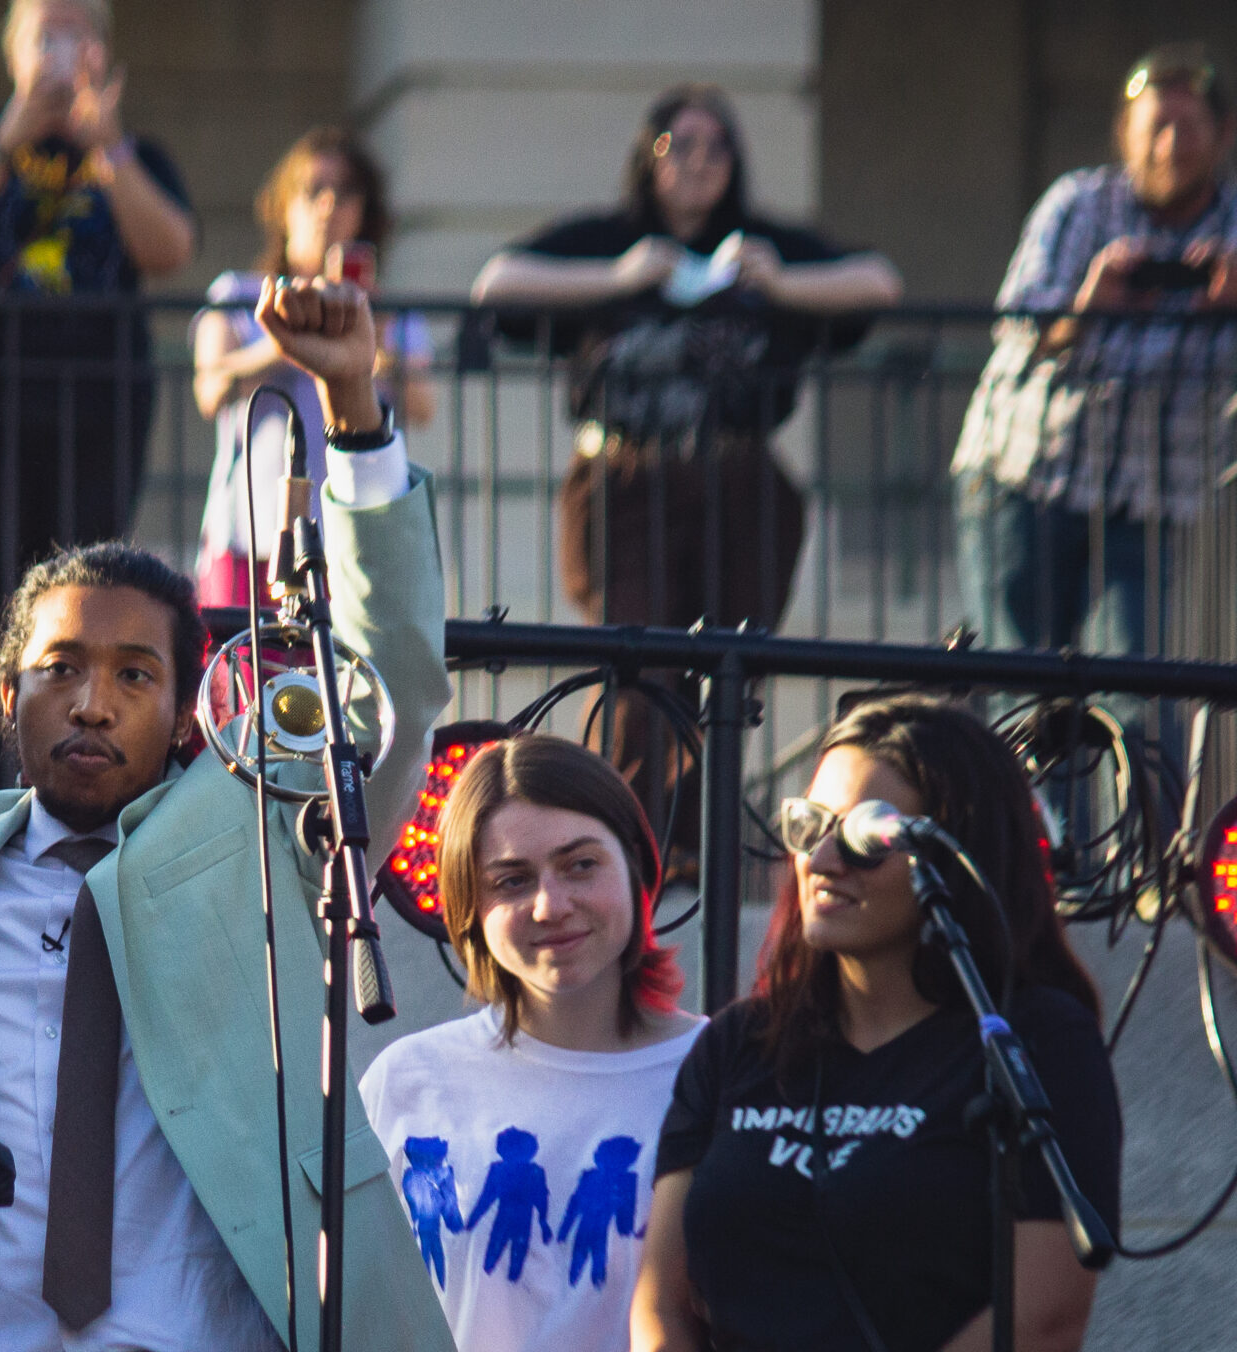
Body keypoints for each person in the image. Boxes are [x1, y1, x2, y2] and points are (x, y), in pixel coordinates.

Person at [0, 274, 454, 1352]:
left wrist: (354, 408)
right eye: (59, 671)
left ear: (188, 709)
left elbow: (393, 695)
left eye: (133, 674)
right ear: (3, 699)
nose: (91, 703)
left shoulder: (262, 842)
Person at [630, 694, 1121, 1352]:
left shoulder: (1035, 1038)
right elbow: (659, 1310)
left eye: (864, 835)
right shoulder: (738, 1045)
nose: (823, 858)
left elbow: (1044, 1318)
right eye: (809, 825)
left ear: (957, 850)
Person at [471, 85, 899, 871]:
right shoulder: (615, 236)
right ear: (651, 156)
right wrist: (624, 275)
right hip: (624, 478)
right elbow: (496, 284)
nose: (699, 162)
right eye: (680, 144)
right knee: (637, 667)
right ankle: (625, 845)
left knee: (729, 667)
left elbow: (878, 282)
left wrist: (775, 282)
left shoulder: (761, 242)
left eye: (716, 147)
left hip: (739, 478)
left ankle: (700, 849)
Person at [351, 735, 699, 1352]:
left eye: (581, 864)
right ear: (467, 906)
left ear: (638, 868)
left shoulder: (716, 1073)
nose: (551, 903)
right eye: (511, 880)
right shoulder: (407, 1082)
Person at [0, 0, 196, 792]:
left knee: (89, 604)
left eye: (80, 36)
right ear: (14, 52)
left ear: (104, 51)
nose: (64, 55)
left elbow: (168, 246)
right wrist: (9, 137)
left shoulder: (133, 152)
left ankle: (78, 779)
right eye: (46, 37)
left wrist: (107, 144)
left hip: (99, 415)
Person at [952, 43, 1237, 663]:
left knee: (1136, 699)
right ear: (1124, 135)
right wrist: (1088, 306)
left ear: (1223, 135)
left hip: (1151, 499)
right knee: (1023, 697)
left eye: (1187, 128)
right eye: (1155, 128)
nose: (1170, 145)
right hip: (1026, 477)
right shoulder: (1078, 202)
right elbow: (1019, 324)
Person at [191, 126, 433, 608]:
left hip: (349, 537)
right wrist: (289, 338)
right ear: (284, 206)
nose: (328, 206)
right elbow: (210, 389)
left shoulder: (384, 311)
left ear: (365, 211)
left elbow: (423, 404)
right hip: (250, 532)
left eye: (344, 193)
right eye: (313, 190)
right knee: (242, 674)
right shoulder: (239, 294)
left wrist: (370, 345)